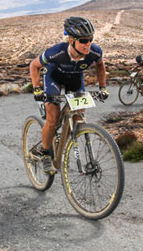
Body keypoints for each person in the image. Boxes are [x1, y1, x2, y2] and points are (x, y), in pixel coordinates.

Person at [29, 16, 109, 173]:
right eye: (84, 40)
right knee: (52, 119)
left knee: (78, 118)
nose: (88, 44)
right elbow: (34, 65)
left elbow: (100, 66)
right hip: (54, 78)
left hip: (75, 79)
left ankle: (61, 146)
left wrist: (102, 87)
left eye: (90, 39)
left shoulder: (94, 51)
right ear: (71, 40)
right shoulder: (57, 52)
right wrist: (36, 88)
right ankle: (45, 154)